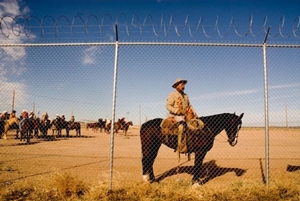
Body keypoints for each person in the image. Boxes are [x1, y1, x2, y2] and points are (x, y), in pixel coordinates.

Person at [166, 78, 198, 154]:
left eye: (183, 84)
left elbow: (189, 105)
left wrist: (195, 113)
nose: (183, 86)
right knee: (181, 127)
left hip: (186, 115)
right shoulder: (172, 95)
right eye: (181, 84)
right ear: (176, 86)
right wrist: (176, 111)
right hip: (175, 115)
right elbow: (168, 106)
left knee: (197, 124)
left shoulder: (186, 96)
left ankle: (193, 144)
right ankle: (181, 146)